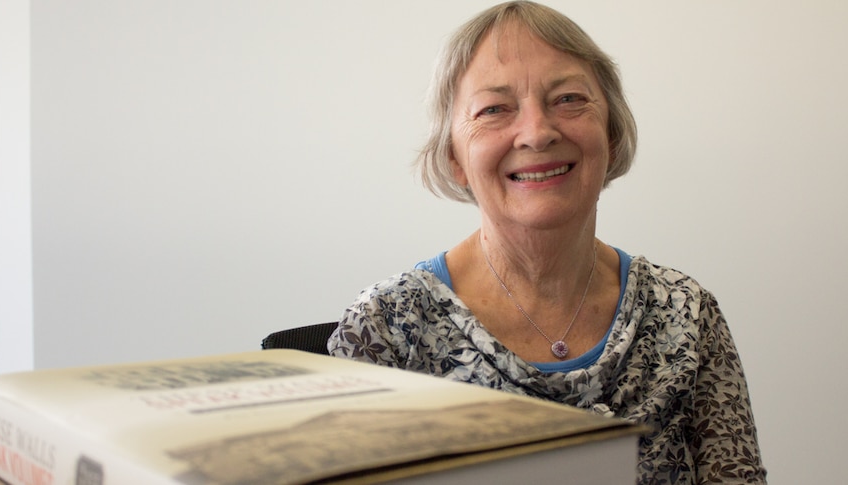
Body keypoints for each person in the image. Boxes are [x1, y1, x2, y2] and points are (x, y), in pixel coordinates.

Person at [328, 1, 766, 483]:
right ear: (454, 157)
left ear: (612, 134)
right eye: (494, 109)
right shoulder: (387, 327)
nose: (536, 133)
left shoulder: (687, 314)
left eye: (569, 99)